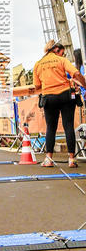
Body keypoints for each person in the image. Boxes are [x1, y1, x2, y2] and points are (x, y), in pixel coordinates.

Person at [32, 39, 86, 168]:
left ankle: (49, 159)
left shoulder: (38, 64)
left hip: (49, 97)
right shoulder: (61, 60)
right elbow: (76, 73)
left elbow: (37, 85)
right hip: (65, 96)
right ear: (55, 50)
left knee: (51, 127)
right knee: (68, 126)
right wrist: (84, 85)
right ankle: (71, 159)